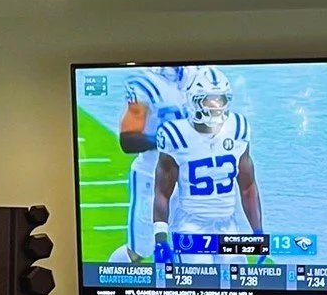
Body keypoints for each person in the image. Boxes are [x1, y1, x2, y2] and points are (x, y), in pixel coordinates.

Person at [152, 66, 261, 266]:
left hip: (228, 227)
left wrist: (258, 232)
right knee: (201, 286)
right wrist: (160, 238)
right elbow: (162, 192)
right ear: (193, 100)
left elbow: (247, 187)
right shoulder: (175, 135)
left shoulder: (237, 128)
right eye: (208, 99)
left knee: (239, 290)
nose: (216, 106)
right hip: (191, 226)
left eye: (221, 99)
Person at [109, 66, 188, 263]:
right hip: (151, 176)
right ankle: (109, 288)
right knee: (138, 252)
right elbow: (128, 141)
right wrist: (165, 140)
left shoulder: (200, 77)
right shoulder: (145, 82)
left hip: (188, 178)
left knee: (188, 249)